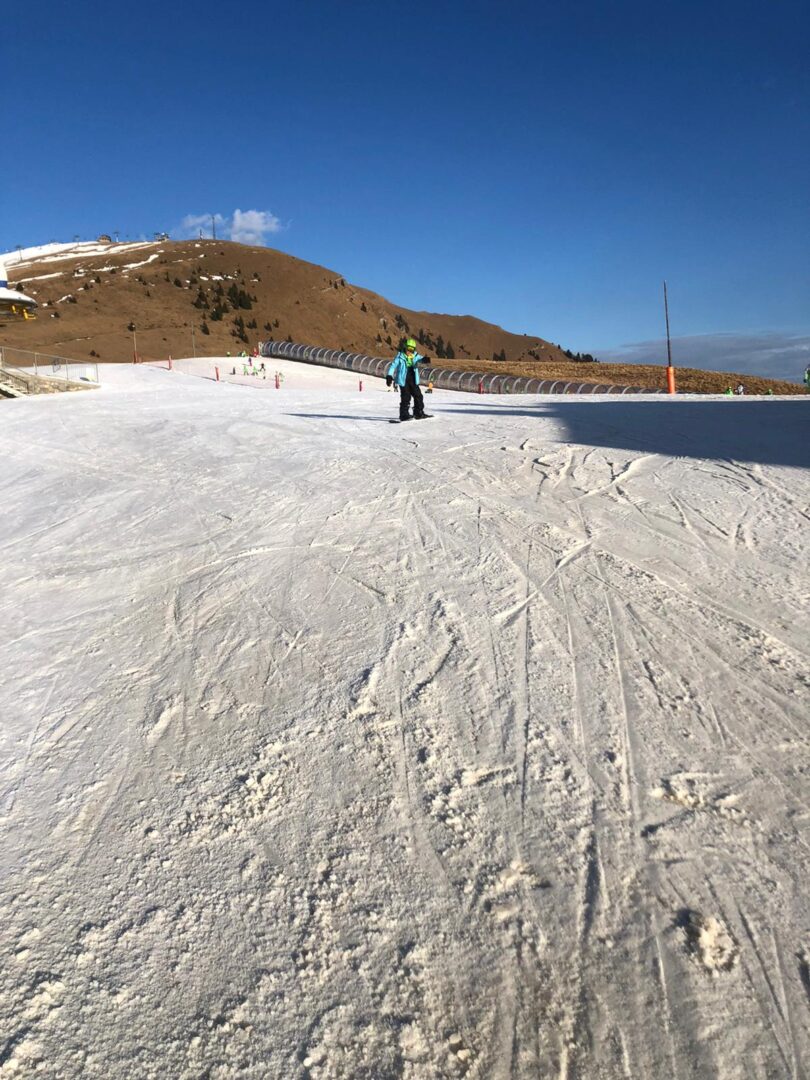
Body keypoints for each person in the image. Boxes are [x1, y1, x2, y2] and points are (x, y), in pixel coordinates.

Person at [386, 338, 431, 421]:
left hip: (413, 378)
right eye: (408, 349)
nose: (409, 351)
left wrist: (424, 359)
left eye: (412, 349)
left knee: (418, 396)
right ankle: (404, 414)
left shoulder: (415, 356)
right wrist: (389, 375)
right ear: (405, 348)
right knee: (406, 397)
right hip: (403, 380)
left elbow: (420, 359)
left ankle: (418, 412)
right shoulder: (400, 356)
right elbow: (393, 366)